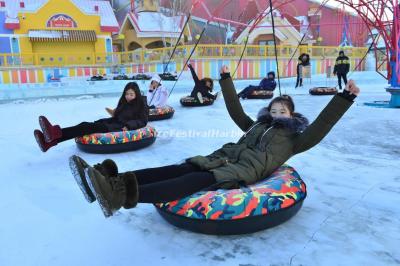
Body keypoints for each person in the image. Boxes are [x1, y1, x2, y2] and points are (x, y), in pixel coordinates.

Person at [69, 65, 360, 218]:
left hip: (237, 173)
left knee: (185, 181)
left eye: (281, 111)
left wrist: (344, 98)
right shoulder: (257, 125)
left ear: (291, 115)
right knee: (176, 169)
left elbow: (321, 126)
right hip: (219, 158)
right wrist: (226, 80)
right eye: (272, 110)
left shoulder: (296, 139)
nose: (275, 113)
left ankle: (117, 195)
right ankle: (111, 181)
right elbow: (236, 110)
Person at [34, 82, 148, 152]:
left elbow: (143, 121)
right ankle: (49, 141)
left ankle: (53, 133)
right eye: (127, 94)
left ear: (136, 94)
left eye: (131, 94)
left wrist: (128, 126)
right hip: (111, 123)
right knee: (84, 125)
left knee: (86, 127)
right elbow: (116, 116)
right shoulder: (124, 102)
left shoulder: (141, 104)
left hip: (118, 128)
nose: (128, 96)